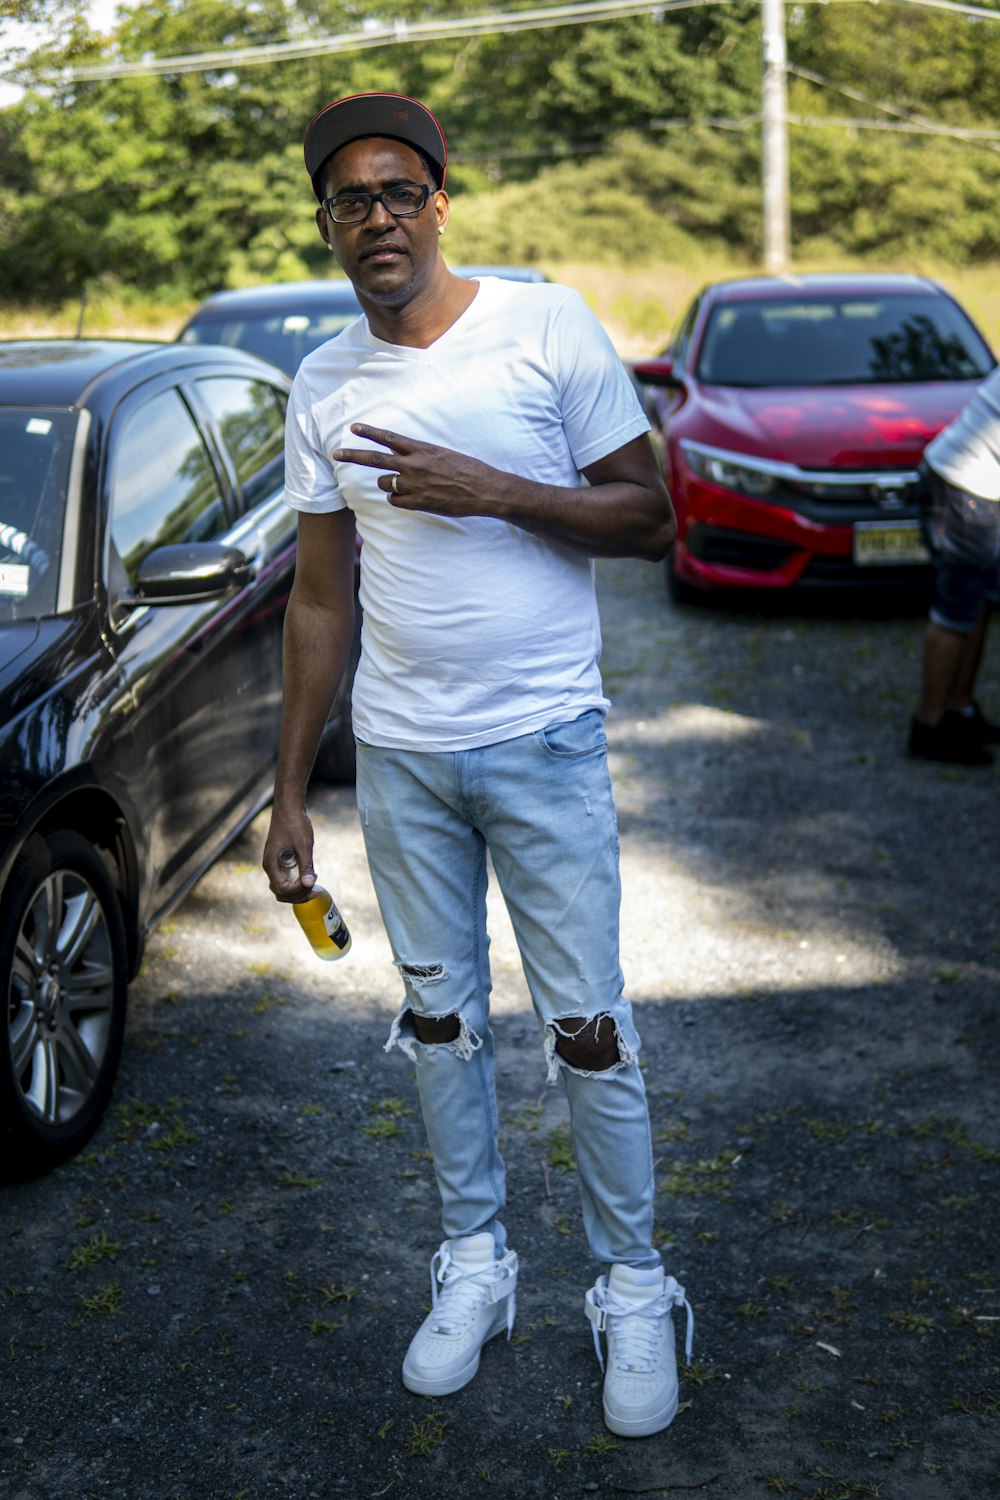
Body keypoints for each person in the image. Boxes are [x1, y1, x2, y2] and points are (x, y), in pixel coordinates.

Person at [262, 91, 692, 1439]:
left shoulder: (543, 324)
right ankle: (477, 1266)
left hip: (546, 743)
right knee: (438, 1028)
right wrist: (286, 793)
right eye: (350, 198)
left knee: (588, 1031)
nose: (376, 216)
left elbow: (648, 515)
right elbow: (321, 602)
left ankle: (633, 1290)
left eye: (399, 191)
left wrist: (495, 488)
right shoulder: (324, 383)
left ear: (443, 201)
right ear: (328, 224)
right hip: (401, 758)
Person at [908, 362, 1000, 766]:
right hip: (965, 487)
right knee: (955, 614)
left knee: (978, 603)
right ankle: (928, 727)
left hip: (977, 488)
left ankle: (958, 708)